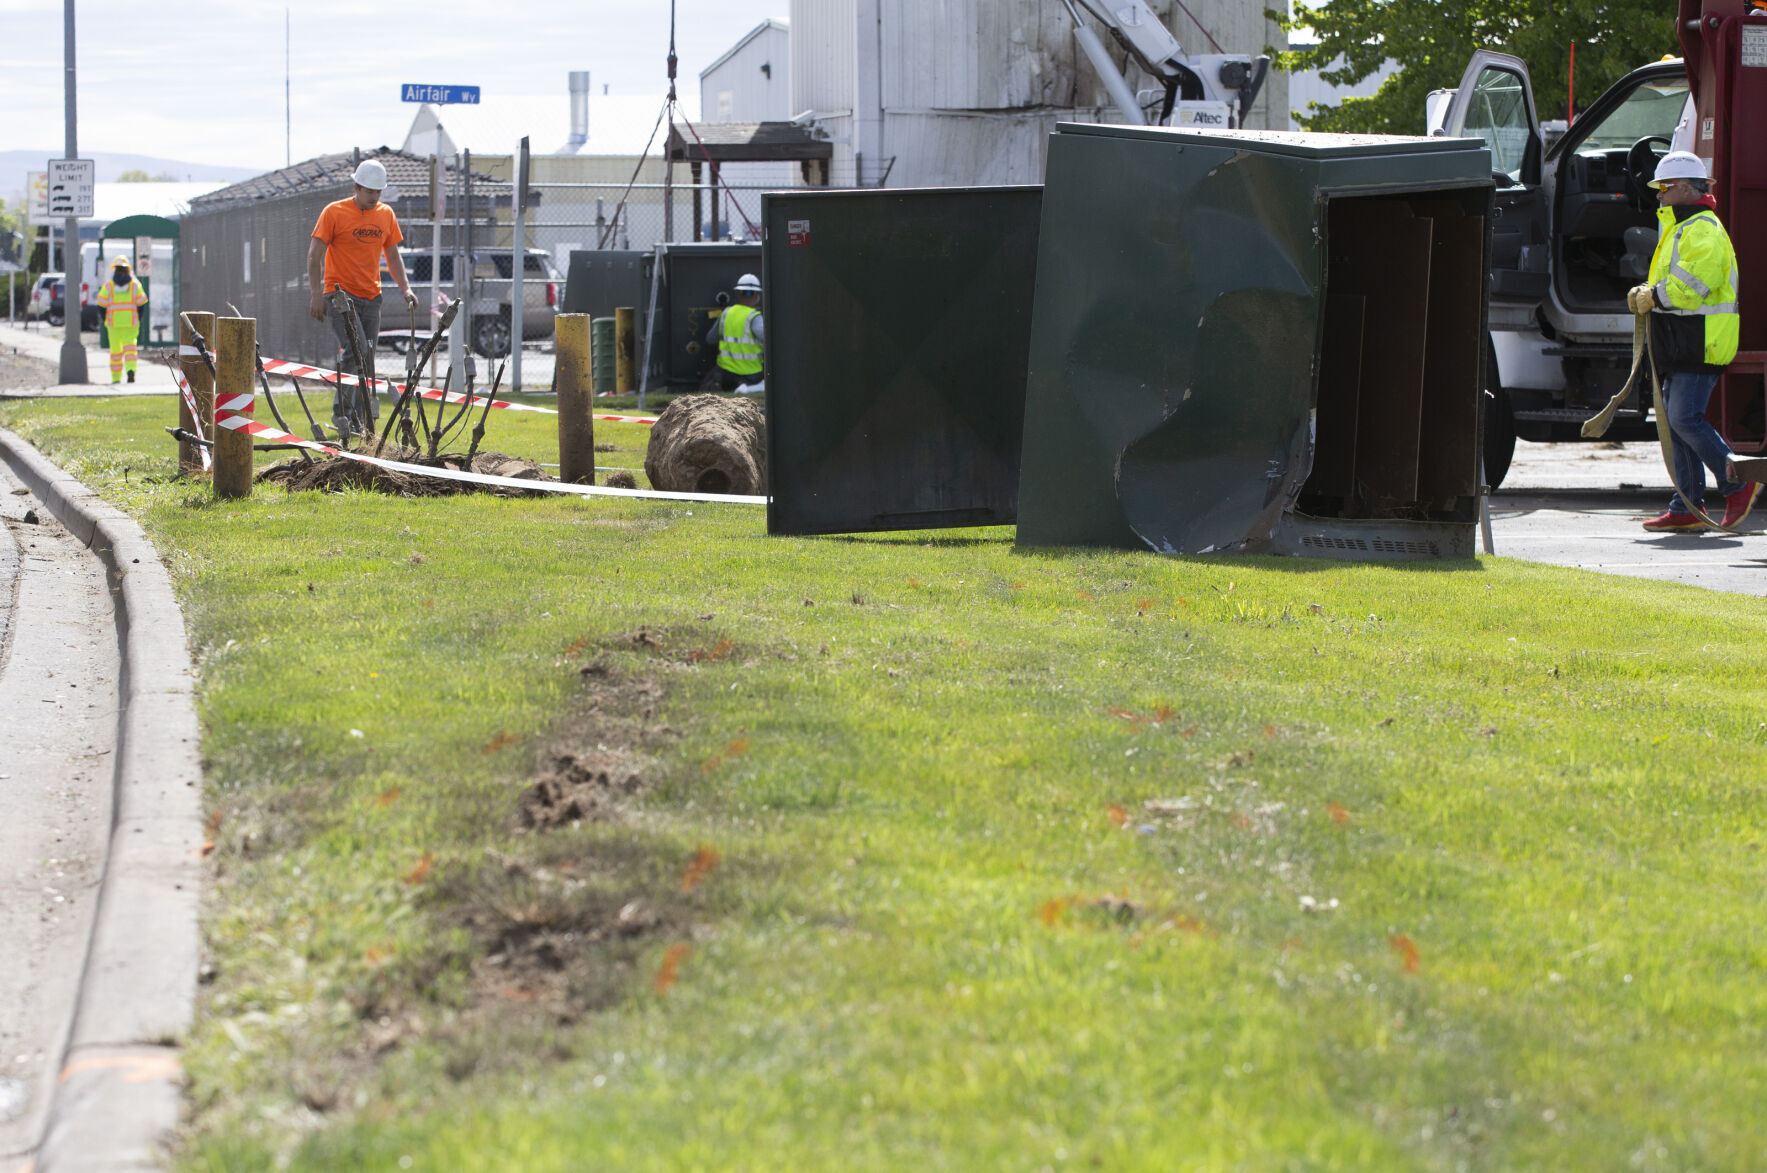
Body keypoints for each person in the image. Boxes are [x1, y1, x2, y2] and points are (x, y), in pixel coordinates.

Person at [1633, 151, 1753, 532]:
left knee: (1683, 418)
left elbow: (1690, 288)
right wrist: (1649, 293)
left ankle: (1739, 482)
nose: (1659, 195)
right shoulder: (1684, 227)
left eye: (1664, 187)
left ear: (1686, 187)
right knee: (1676, 422)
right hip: (1684, 342)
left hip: (1700, 343)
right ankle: (1686, 505)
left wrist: (1652, 295)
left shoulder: (1702, 229)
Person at [307, 158, 419, 438]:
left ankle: (359, 416)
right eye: (370, 191)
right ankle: (343, 414)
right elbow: (314, 256)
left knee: (366, 357)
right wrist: (315, 294)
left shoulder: (386, 215)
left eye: (379, 192)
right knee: (355, 349)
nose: (375, 197)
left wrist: (405, 288)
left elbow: (392, 256)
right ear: (356, 187)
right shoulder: (334, 212)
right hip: (339, 296)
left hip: (372, 297)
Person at [94, 255, 148, 384]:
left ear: (115, 269)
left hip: (114, 324)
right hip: (131, 323)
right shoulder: (135, 285)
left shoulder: (108, 286)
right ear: (128, 269)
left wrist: (105, 318)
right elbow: (141, 304)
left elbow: (101, 305)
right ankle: (130, 371)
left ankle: (116, 378)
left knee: (116, 352)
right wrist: (138, 318)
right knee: (130, 349)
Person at [706, 272, 765, 392]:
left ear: (738, 294)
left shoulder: (726, 313)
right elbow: (770, 340)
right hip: (750, 375)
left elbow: (710, 339)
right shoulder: (755, 318)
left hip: (724, 373)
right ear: (757, 296)